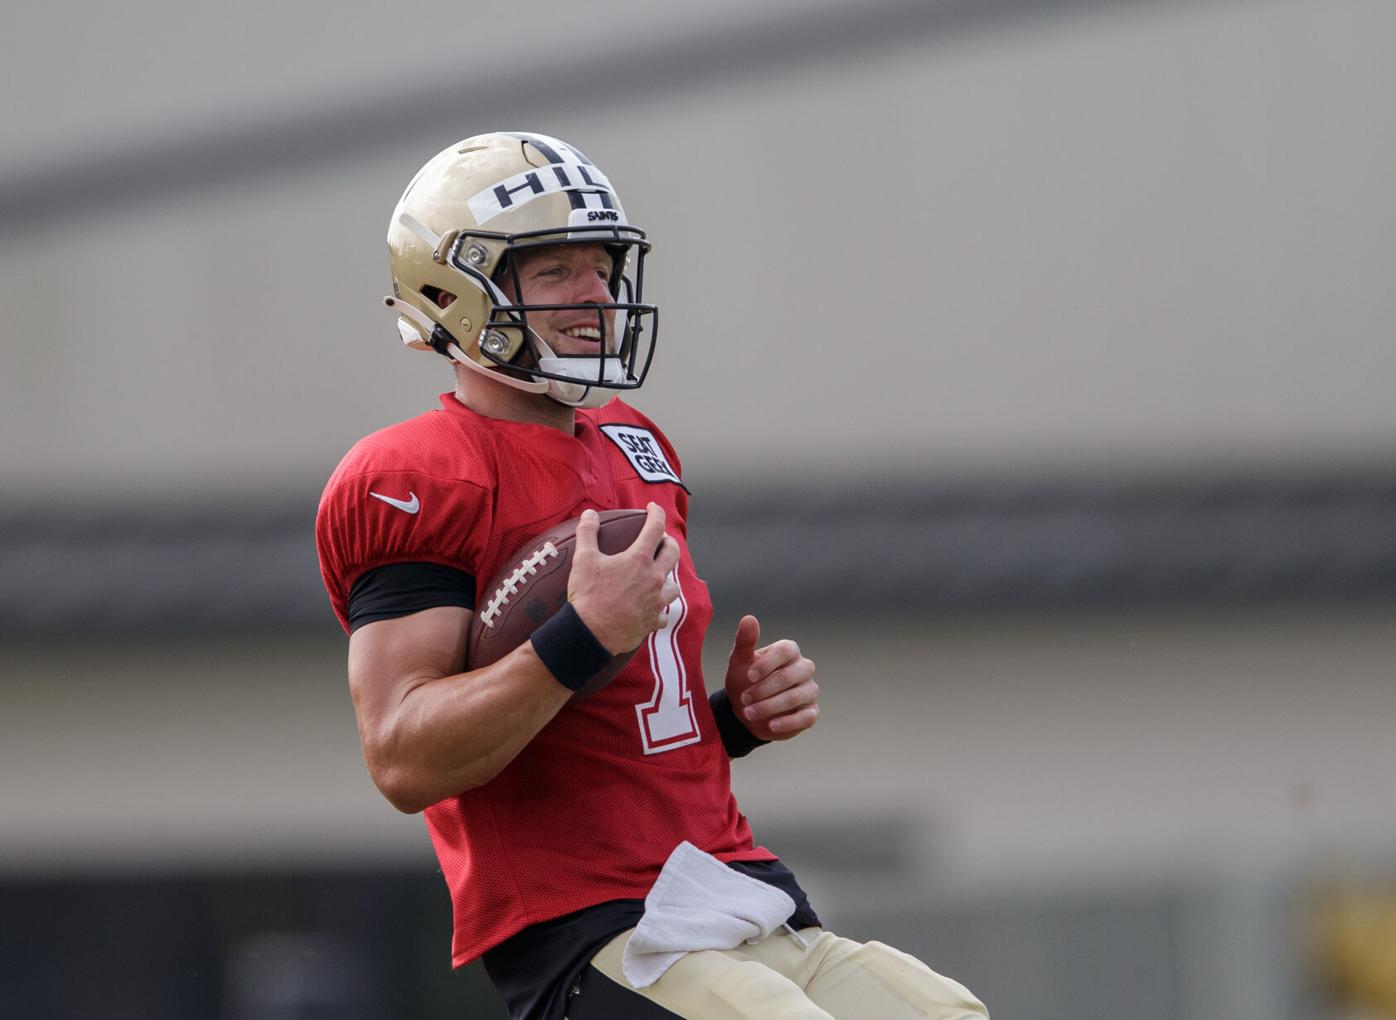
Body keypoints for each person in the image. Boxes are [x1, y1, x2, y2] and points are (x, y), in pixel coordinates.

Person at [315, 131, 987, 1020]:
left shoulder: (637, 446)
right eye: (555, 271)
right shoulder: (416, 474)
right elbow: (402, 757)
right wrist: (581, 636)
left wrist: (729, 723)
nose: (594, 294)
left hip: (726, 879)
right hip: (590, 922)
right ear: (455, 294)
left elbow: (615, 724)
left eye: (601, 267)